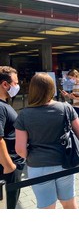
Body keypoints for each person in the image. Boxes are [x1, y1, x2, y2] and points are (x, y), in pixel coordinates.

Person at [14, 73, 79, 209]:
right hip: (64, 162)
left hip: (38, 166)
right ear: (52, 88)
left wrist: (32, 156)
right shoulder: (65, 108)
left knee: (47, 207)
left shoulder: (24, 115)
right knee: (69, 203)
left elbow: (20, 149)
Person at [0, 66, 25, 209]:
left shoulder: (4, 104)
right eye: (15, 83)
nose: (17, 86)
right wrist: (9, 166)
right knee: (8, 206)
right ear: (5, 84)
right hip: (7, 168)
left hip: (10, 165)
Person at [60, 69, 79, 150]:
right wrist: (67, 95)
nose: (70, 80)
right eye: (69, 78)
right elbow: (74, 97)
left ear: (76, 76)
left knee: (73, 126)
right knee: (72, 126)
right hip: (76, 107)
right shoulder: (75, 85)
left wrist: (75, 97)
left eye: (71, 78)